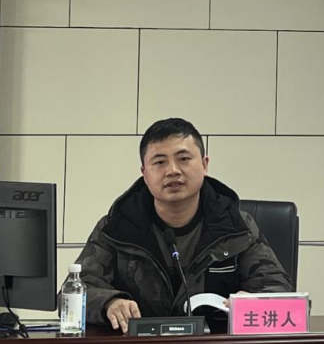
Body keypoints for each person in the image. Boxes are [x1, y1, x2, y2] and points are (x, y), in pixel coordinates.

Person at [74, 118, 291, 332]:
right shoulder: (116, 227)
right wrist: (110, 302)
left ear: (204, 165)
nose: (173, 170)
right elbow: (77, 290)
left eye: (183, 159)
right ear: (145, 174)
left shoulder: (236, 226)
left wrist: (255, 302)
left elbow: (279, 290)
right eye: (160, 162)